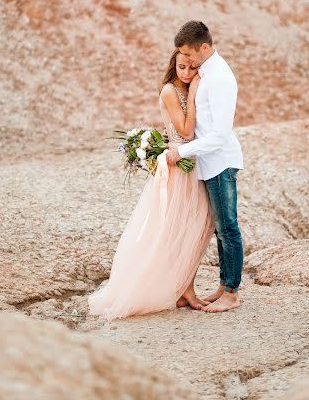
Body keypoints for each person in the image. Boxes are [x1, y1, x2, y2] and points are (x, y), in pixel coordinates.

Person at [88, 50, 215, 321]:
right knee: (173, 227)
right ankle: (180, 289)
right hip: (178, 167)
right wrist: (193, 94)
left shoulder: (193, 86)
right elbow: (187, 132)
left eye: (192, 68)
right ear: (174, 65)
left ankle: (185, 287)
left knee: (197, 227)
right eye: (181, 67)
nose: (186, 73)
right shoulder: (171, 91)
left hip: (192, 162)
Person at [166, 20, 244, 313]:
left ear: (204, 47)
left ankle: (233, 293)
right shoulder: (205, 73)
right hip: (208, 162)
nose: (185, 60)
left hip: (221, 162)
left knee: (228, 228)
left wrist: (184, 151)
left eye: (189, 54)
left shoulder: (220, 77)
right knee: (219, 229)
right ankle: (224, 285)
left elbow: (220, 134)